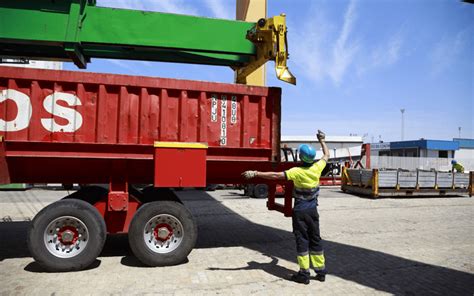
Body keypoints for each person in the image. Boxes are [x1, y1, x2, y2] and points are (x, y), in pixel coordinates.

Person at [242, 130, 330, 285]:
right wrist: (322, 140)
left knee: (302, 240)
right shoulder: (317, 168)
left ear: (301, 157)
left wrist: (256, 173)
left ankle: (304, 274)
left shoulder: (296, 172)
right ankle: (320, 271)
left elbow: (275, 176)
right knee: (315, 238)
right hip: (313, 211)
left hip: (300, 212)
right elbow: (326, 155)